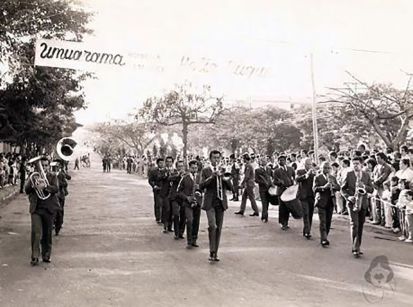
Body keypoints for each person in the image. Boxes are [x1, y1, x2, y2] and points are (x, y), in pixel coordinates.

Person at [25, 156, 61, 265]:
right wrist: (33, 185)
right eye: (41, 165)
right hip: (36, 209)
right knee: (36, 232)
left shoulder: (53, 176)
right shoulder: (33, 176)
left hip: (49, 209)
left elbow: (55, 189)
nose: (43, 168)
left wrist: (45, 187)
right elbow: (26, 190)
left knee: (47, 233)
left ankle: (46, 255)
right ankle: (35, 256)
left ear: (48, 166)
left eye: (45, 166)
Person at [200, 150, 233, 262]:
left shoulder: (224, 170)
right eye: (214, 158)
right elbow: (201, 185)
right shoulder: (205, 170)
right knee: (212, 226)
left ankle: (215, 253)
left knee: (218, 228)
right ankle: (211, 250)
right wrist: (212, 177)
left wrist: (224, 178)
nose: (216, 160)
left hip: (221, 202)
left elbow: (230, 188)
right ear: (210, 159)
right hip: (210, 202)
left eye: (218, 158)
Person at [341, 156, 374, 258]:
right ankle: (355, 248)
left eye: (357, 163)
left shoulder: (366, 175)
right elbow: (342, 189)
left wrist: (364, 186)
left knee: (360, 225)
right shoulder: (349, 174)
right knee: (354, 224)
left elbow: (371, 189)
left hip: (363, 203)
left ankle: (357, 245)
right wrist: (349, 197)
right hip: (352, 203)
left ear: (361, 164)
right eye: (353, 164)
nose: (355, 166)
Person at [313, 161, 340, 247]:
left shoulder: (333, 177)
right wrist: (324, 187)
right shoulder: (317, 177)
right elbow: (314, 188)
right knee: (323, 221)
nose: (327, 170)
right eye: (325, 168)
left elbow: (338, 187)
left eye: (328, 168)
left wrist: (333, 186)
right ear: (321, 169)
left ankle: (325, 236)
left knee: (328, 222)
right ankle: (323, 239)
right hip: (321, 201)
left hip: (330, 202)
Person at [178, 160, 202, 248]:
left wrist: (200, 190)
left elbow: (205, 189)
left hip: (197, 202)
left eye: (196, 168)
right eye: (192, 168)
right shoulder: (185, 178)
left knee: (196, 222)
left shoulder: (200, 178)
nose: (194, 170)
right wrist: (186, 197)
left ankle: (194, 239)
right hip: (188, 203)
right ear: (189, 168)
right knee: (190, 220)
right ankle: (189, 240)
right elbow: (179, 191)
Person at [273, 155, 295, 230]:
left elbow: (294, 178)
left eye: (282, 160)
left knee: (288, 207)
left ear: (285, 161)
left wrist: (292, 185)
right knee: (282, 207)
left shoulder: (290, 169)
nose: (280, 162)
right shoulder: (276, 171)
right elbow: (274, 181)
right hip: (281, 191)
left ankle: (286, 222)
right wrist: (279, 183)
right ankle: (282, 223)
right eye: (279, 160)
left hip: (289, 191)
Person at [296, 158, 316, 239]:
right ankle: (307, 231)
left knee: (310, 214)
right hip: (303, 196)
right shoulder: (300, 171)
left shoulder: (313, 172)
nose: (309, 166)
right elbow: (297, 179)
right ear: (304, 164)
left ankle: (308, 230)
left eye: (310, 164)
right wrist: (306, 175)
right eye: (308, 164)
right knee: (306, 213)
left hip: (311, 196)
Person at [372, 152, 392, 226]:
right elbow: (373, 175)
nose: (377, 160)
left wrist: (376, 182)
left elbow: (383, 176)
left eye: (378, 158)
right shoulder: (376, 166)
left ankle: (383, 220)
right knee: (377, 204)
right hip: (376, 188)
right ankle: (378, 219)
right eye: (376, 158)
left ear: (383, 158)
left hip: (382, 187)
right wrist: (373, 182)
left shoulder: (386, 167)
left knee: (382, 205)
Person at [169, 160, 186, 240]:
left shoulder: (186, 174)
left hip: (183, 197)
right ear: (176, 167)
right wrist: (179, 175)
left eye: (182, 166)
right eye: (179, 166)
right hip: (175, 197)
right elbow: (169, 178)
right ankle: (176, 232)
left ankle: (181, 232)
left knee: (183, 215)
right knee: (176, 214)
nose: (180, 168)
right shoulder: (173, 173)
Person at [254, 156, 275, 223]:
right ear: (260, 162)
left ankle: (265, 216)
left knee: (267, 203)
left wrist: (272, 183)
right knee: (264, 203)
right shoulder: (257, 170)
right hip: (262, 189)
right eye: (262, 161)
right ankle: (264, 217)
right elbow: (256, 180)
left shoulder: (269, 169)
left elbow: (273, 176)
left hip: (269, 189)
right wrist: (263, 182)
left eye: (265, 161)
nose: (264, 162)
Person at [54, 159, 71, 236]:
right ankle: (54, 222)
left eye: (57, 166)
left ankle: (59, 224)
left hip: (60, 195)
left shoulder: (61, 173)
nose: (55, 167)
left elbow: (66, 182)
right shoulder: (50, 174)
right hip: (53, 195)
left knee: (60, 210)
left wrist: (57, 183)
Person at [148, 158, 164, 224]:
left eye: (163, 163)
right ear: (157, 163)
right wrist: (154, 186)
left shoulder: (166, 171)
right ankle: (158, 218)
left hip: (164, 190)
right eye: (160, 163)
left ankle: (163, 217)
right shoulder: (153, 171)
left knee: (164, 204)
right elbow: (150, 180)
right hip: (157, 189)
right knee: (158, 204)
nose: (162, 164)